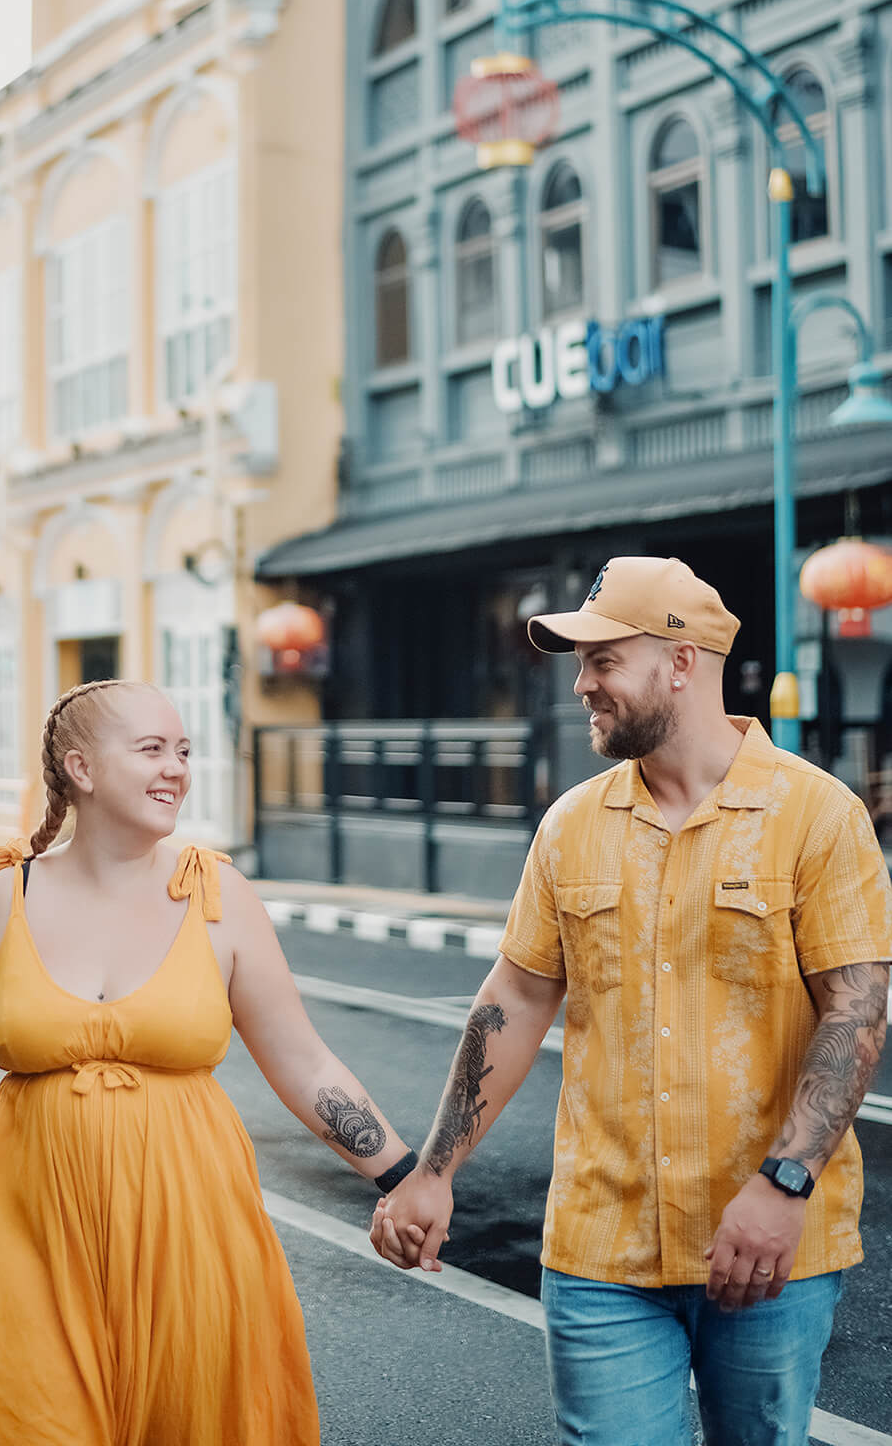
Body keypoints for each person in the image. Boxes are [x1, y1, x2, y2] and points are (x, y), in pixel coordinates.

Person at [370, 556, 892, 1446]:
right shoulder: (571, 824)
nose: (582, 686)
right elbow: (519, 997)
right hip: (601, 1245)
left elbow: (855, 1013)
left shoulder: (819, 817)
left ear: (679, 662)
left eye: (603, 660)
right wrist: (434, 1170)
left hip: (770, 1244)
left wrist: (786, 1181)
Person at [0, 677, 418, 1445]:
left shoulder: (220, 899)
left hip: (193, 1230)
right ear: (81, 768)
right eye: (151, 750)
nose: (176, 767)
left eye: (183, 751)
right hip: (24, 1235)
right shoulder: (2, 903)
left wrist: (409, 1178)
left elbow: (306, 1065)